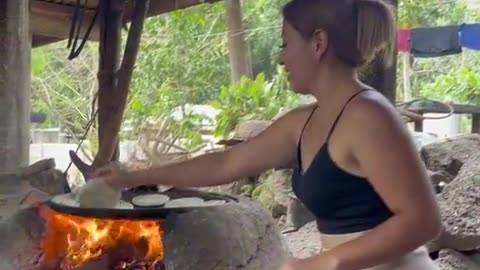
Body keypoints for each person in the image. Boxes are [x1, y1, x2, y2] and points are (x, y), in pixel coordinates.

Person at [94, 0, 442, 269]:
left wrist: (327, 261)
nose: (280, 58)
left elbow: (423, 221)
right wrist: (133, 178)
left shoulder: (369, 116)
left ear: (318, 43)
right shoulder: (303, 121)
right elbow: (225, 163)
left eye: (285, 43)